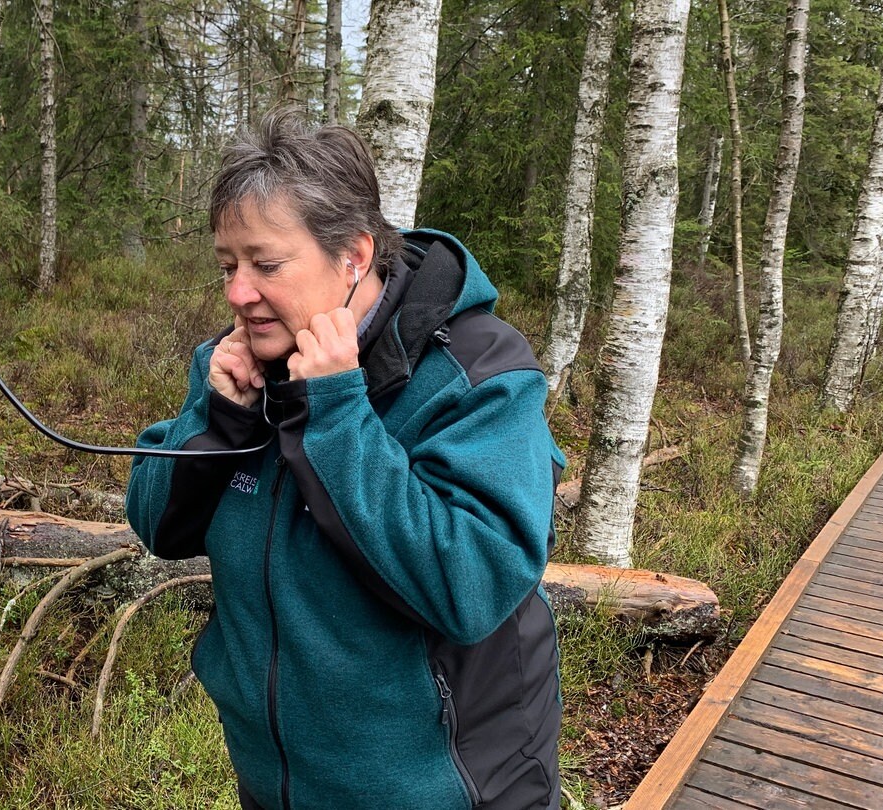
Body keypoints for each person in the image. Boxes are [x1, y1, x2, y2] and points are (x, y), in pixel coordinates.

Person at [126, 110, 565, 810]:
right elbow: (156, 524)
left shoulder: (477, 372)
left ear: (354, 256)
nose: (239, 293)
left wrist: (335, 412)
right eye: (227, 265)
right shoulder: (238, 358)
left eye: (266, 264)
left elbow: (473, 585)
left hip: (450, 788)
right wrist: (218, 420)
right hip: (279, 784)